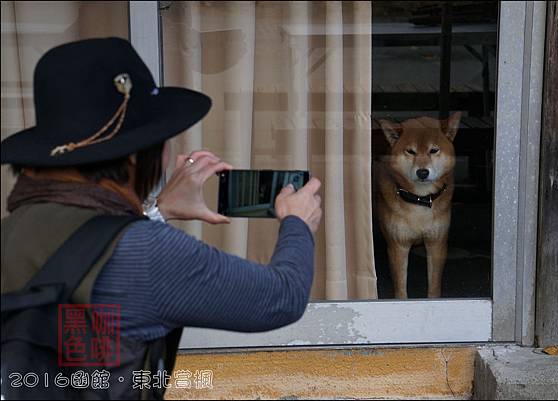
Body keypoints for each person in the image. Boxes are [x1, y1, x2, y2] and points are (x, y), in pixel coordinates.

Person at [0, 37, 322, 399]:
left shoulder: (11, 231)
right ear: (136, 157)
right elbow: (281, 297)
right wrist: (297, 223)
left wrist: (157, 210)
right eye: (162, 140)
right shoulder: (150, 253)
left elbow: (83, 258)